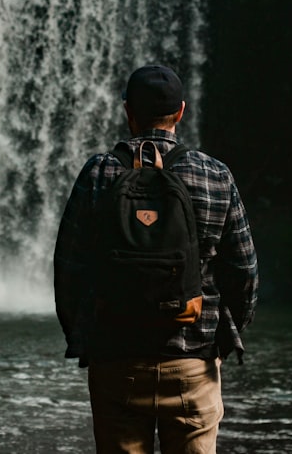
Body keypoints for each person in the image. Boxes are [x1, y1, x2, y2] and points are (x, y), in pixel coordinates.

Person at [54, 64, 259, 454]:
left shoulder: (98, 174)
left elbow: (69, 267)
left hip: (116, 359)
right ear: (181, 112)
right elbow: (243, 272)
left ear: (127, 110)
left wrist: (86, 338)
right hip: (192, 360)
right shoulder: (214, 175)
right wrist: (220, 336)